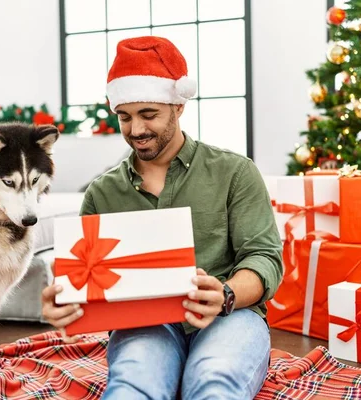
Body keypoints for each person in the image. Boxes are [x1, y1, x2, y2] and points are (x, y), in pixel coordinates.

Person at [41, 36, 283, 399]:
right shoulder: (101, 193)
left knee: (215, 382)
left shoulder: (235, 172)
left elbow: (265, 258)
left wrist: (226, 294)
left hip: (230, 316)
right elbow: (81, 278)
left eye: (148, 114)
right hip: (142, 321)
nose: (136, 130)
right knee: (133, 385)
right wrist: (64, 302)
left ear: (178, 107)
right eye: (124, 117)